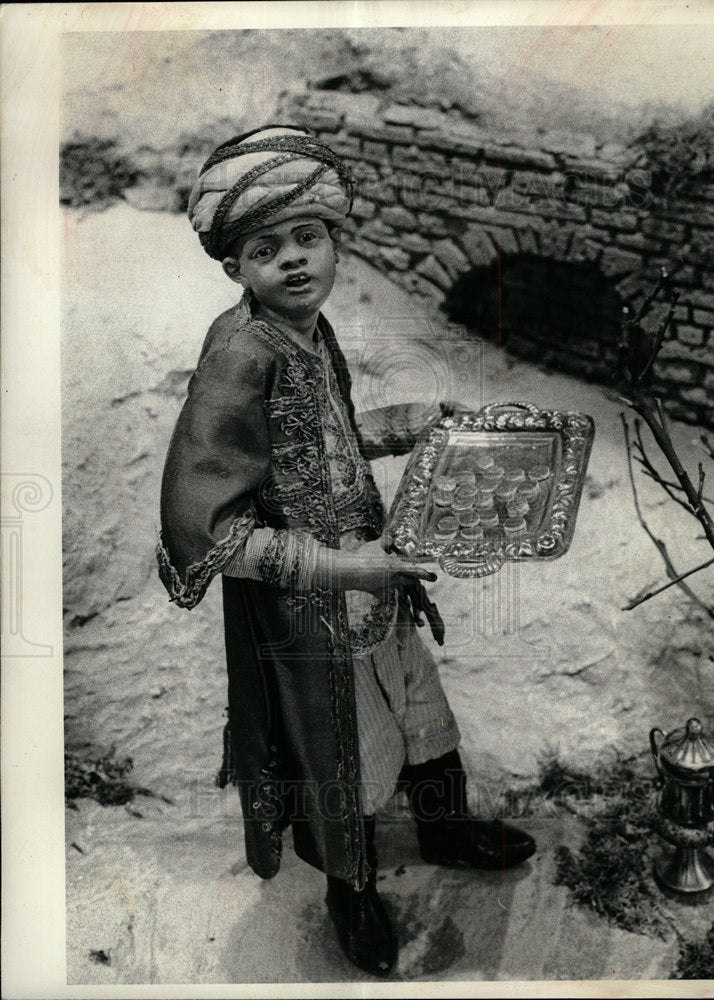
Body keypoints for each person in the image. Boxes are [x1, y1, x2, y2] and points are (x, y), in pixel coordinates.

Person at [157, 125, 536, 978]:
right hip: (311, 603)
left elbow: (311, 448)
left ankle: (443, 827)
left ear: (335, 242)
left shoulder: (306, 331)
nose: (293, 260)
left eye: (307, 237)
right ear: (233, 268)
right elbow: (202, 530)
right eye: (265, 248)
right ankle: (350, 892)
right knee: (346, 751)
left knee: (418, 705)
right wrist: (342, 567)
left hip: (373, 566)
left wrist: (398, 430)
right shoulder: (237, 358)